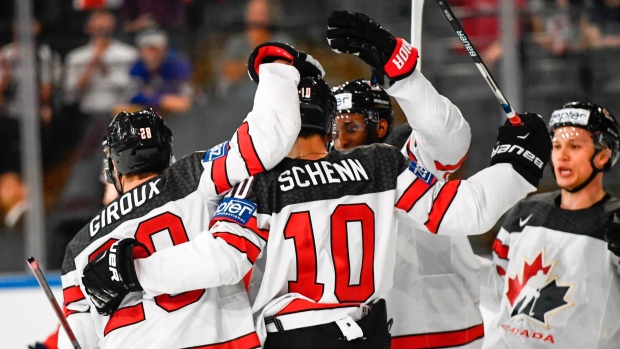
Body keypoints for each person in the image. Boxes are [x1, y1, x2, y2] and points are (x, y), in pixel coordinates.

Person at [80, 12, 552, 348]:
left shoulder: (256, 183)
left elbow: (224, 259)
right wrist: (520, 168)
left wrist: (136, 271)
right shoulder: (380, 166)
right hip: (370, 333)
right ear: (327, 123)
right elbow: (468, 210)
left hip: (298, 338)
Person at [57, 47, 311, 348]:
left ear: (113, 166)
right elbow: (268, 139)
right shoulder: (194, 174)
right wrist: (276, 67)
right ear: (166, 153)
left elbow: (76, 340)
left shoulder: (79, 247)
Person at [332, 77, 483, 347]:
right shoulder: (328, 178)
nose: (340, 142)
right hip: (376, 334)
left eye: (351, 127)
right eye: (335, 130)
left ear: (380, 128)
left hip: (442, 329)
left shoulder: (414, 159)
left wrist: (405, 77)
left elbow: (445, 133)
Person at [480, 102, 620, 348]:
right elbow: (497, 289)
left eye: (574, 146)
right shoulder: (525, 211)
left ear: (603, 155)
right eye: (556, 146)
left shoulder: (616, 222)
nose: (562, 155)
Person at [64, 9, 138, 116]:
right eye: (99, 28)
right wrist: (89, 70)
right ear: (88, 28)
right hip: (87, 114)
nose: (102, 32)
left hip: (120, 113)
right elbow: (69, 96)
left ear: (113, 27)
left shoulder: (128, 54)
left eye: (105, 28)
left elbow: (132, 88)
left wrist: (107, 71)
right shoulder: (76, 57)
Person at [127, 28, 192, 114]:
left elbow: (182, 97)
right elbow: (131, 94)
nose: (151, 54)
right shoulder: (136, 65)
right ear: (140, 51)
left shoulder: (176, 64)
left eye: (155, 49)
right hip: (148, 110)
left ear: (164, 49)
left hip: (175, 112)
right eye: (147, 50)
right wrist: (160, 99)